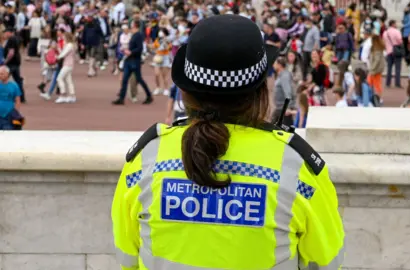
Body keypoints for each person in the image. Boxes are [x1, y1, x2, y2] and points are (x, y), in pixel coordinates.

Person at [112, 14, 344, 270]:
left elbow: (127, 258)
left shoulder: (144, 161)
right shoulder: (298, 169)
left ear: (186, 93)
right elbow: (326, 263)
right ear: (260, 92)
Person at [112, 19, 153, 105]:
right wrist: (126, 50)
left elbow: (139, 48)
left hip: (134, 60)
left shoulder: (138, 35)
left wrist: (130, 52)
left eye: (132, 25)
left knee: (139, 79)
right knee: (125, 80)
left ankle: (149, 95)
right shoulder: (134, 35)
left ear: (135, 26)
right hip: (129, 60)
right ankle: (121, 98)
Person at [3, 28, 25, 103]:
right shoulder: (17, 38)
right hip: (16, 62)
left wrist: (5, 61)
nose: (5, 34)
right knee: (18, 80)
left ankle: (6, 96)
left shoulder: (11, 39)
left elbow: (11, 52)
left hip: (11, 63)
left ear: (10, 32)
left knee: (3, 78)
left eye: (6, 32)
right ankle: (22, 97)